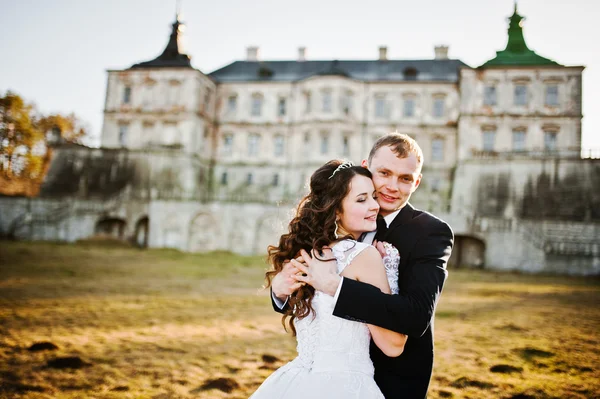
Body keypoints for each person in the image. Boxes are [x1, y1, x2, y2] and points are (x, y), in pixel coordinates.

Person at [273, 133, 454, 399]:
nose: (393, 186)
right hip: (323, 380)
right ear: (366, 167)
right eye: (384, 173)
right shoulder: (331, 233)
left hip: (393, 381)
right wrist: (279, 292)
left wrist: (337, 286)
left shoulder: (430, 233)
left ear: (417, 182)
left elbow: (416, 317)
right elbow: (313, 302)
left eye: (405, 178)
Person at [251, 160, 407, 399]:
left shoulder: (310, 253)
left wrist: (279, 292)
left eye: (373, 197)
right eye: (361, 199)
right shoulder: (364, 256)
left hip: (295, 383)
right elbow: (393, 345)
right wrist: (390, 273)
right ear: (336, 209)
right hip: (345, 386)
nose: (375, 206)